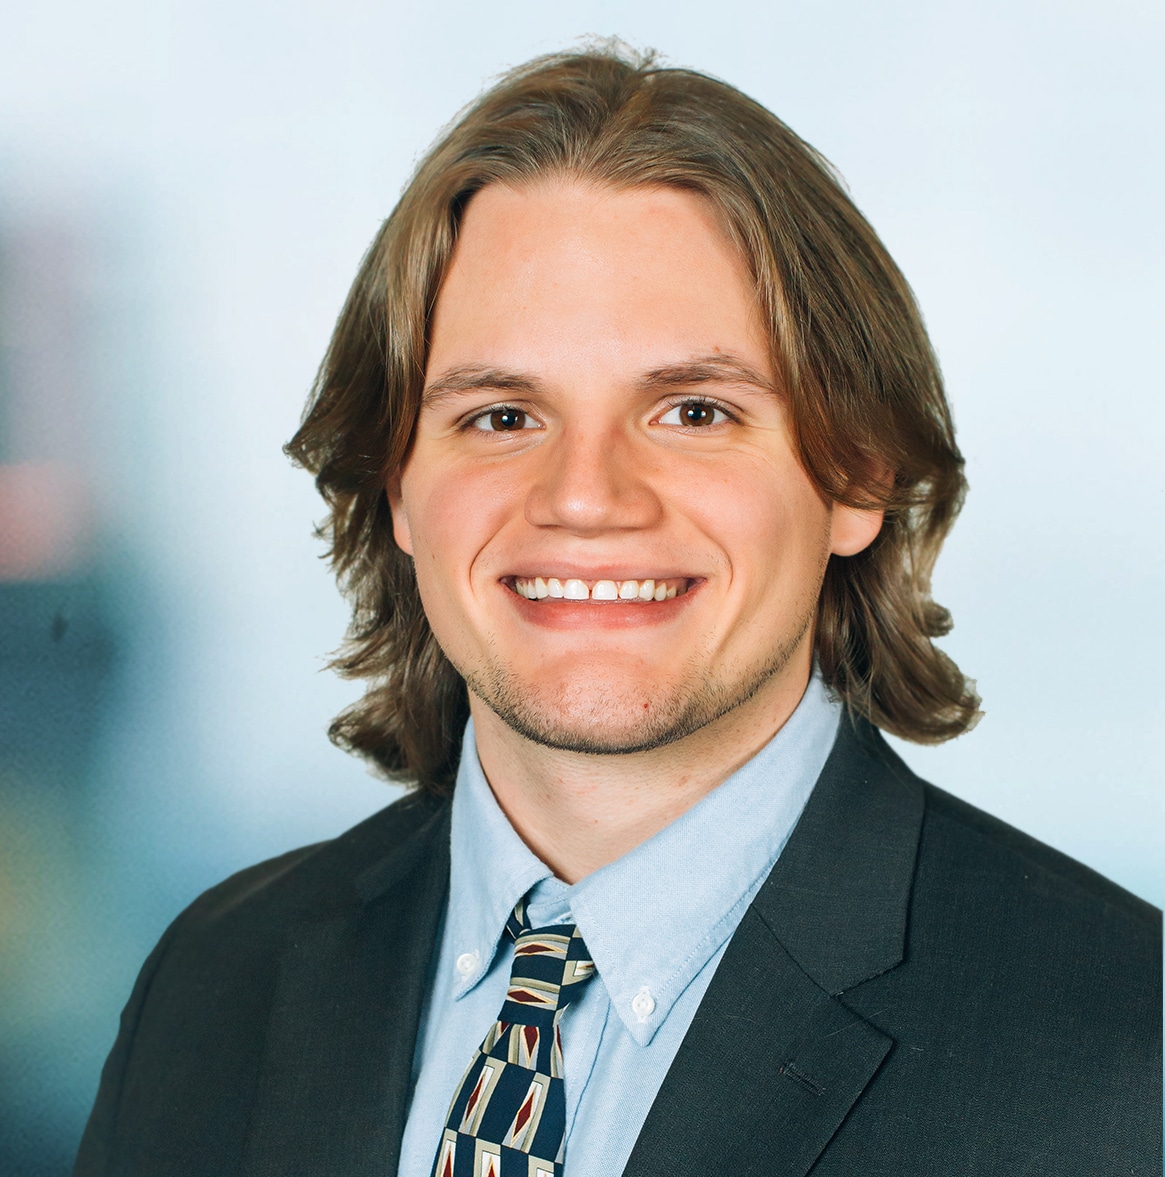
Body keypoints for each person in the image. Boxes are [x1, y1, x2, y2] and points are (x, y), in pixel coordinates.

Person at [75, 47, 1160, 1177]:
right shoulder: (218, 985)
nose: (585, 497)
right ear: (396, 486)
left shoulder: (1127, 1051)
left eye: (693, 410)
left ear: (856, 477)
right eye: (502, 417)